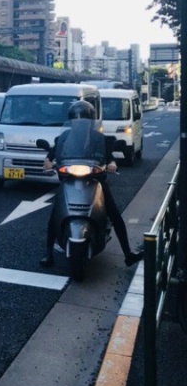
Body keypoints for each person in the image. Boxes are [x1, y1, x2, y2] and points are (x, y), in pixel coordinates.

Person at [39, 100, 144, 268]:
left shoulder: (99, 138)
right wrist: (48, 162)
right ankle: (48, 252)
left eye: (84, 121)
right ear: (72, 122)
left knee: (115, 215)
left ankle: (128, 254)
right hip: (69, 180)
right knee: (55, 215)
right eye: (77, 121)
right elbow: (51, 154)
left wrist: (112, 164)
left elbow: (109, 156)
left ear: (90, 122)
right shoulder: (63, 137)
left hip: (95, 179)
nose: (80, 124)